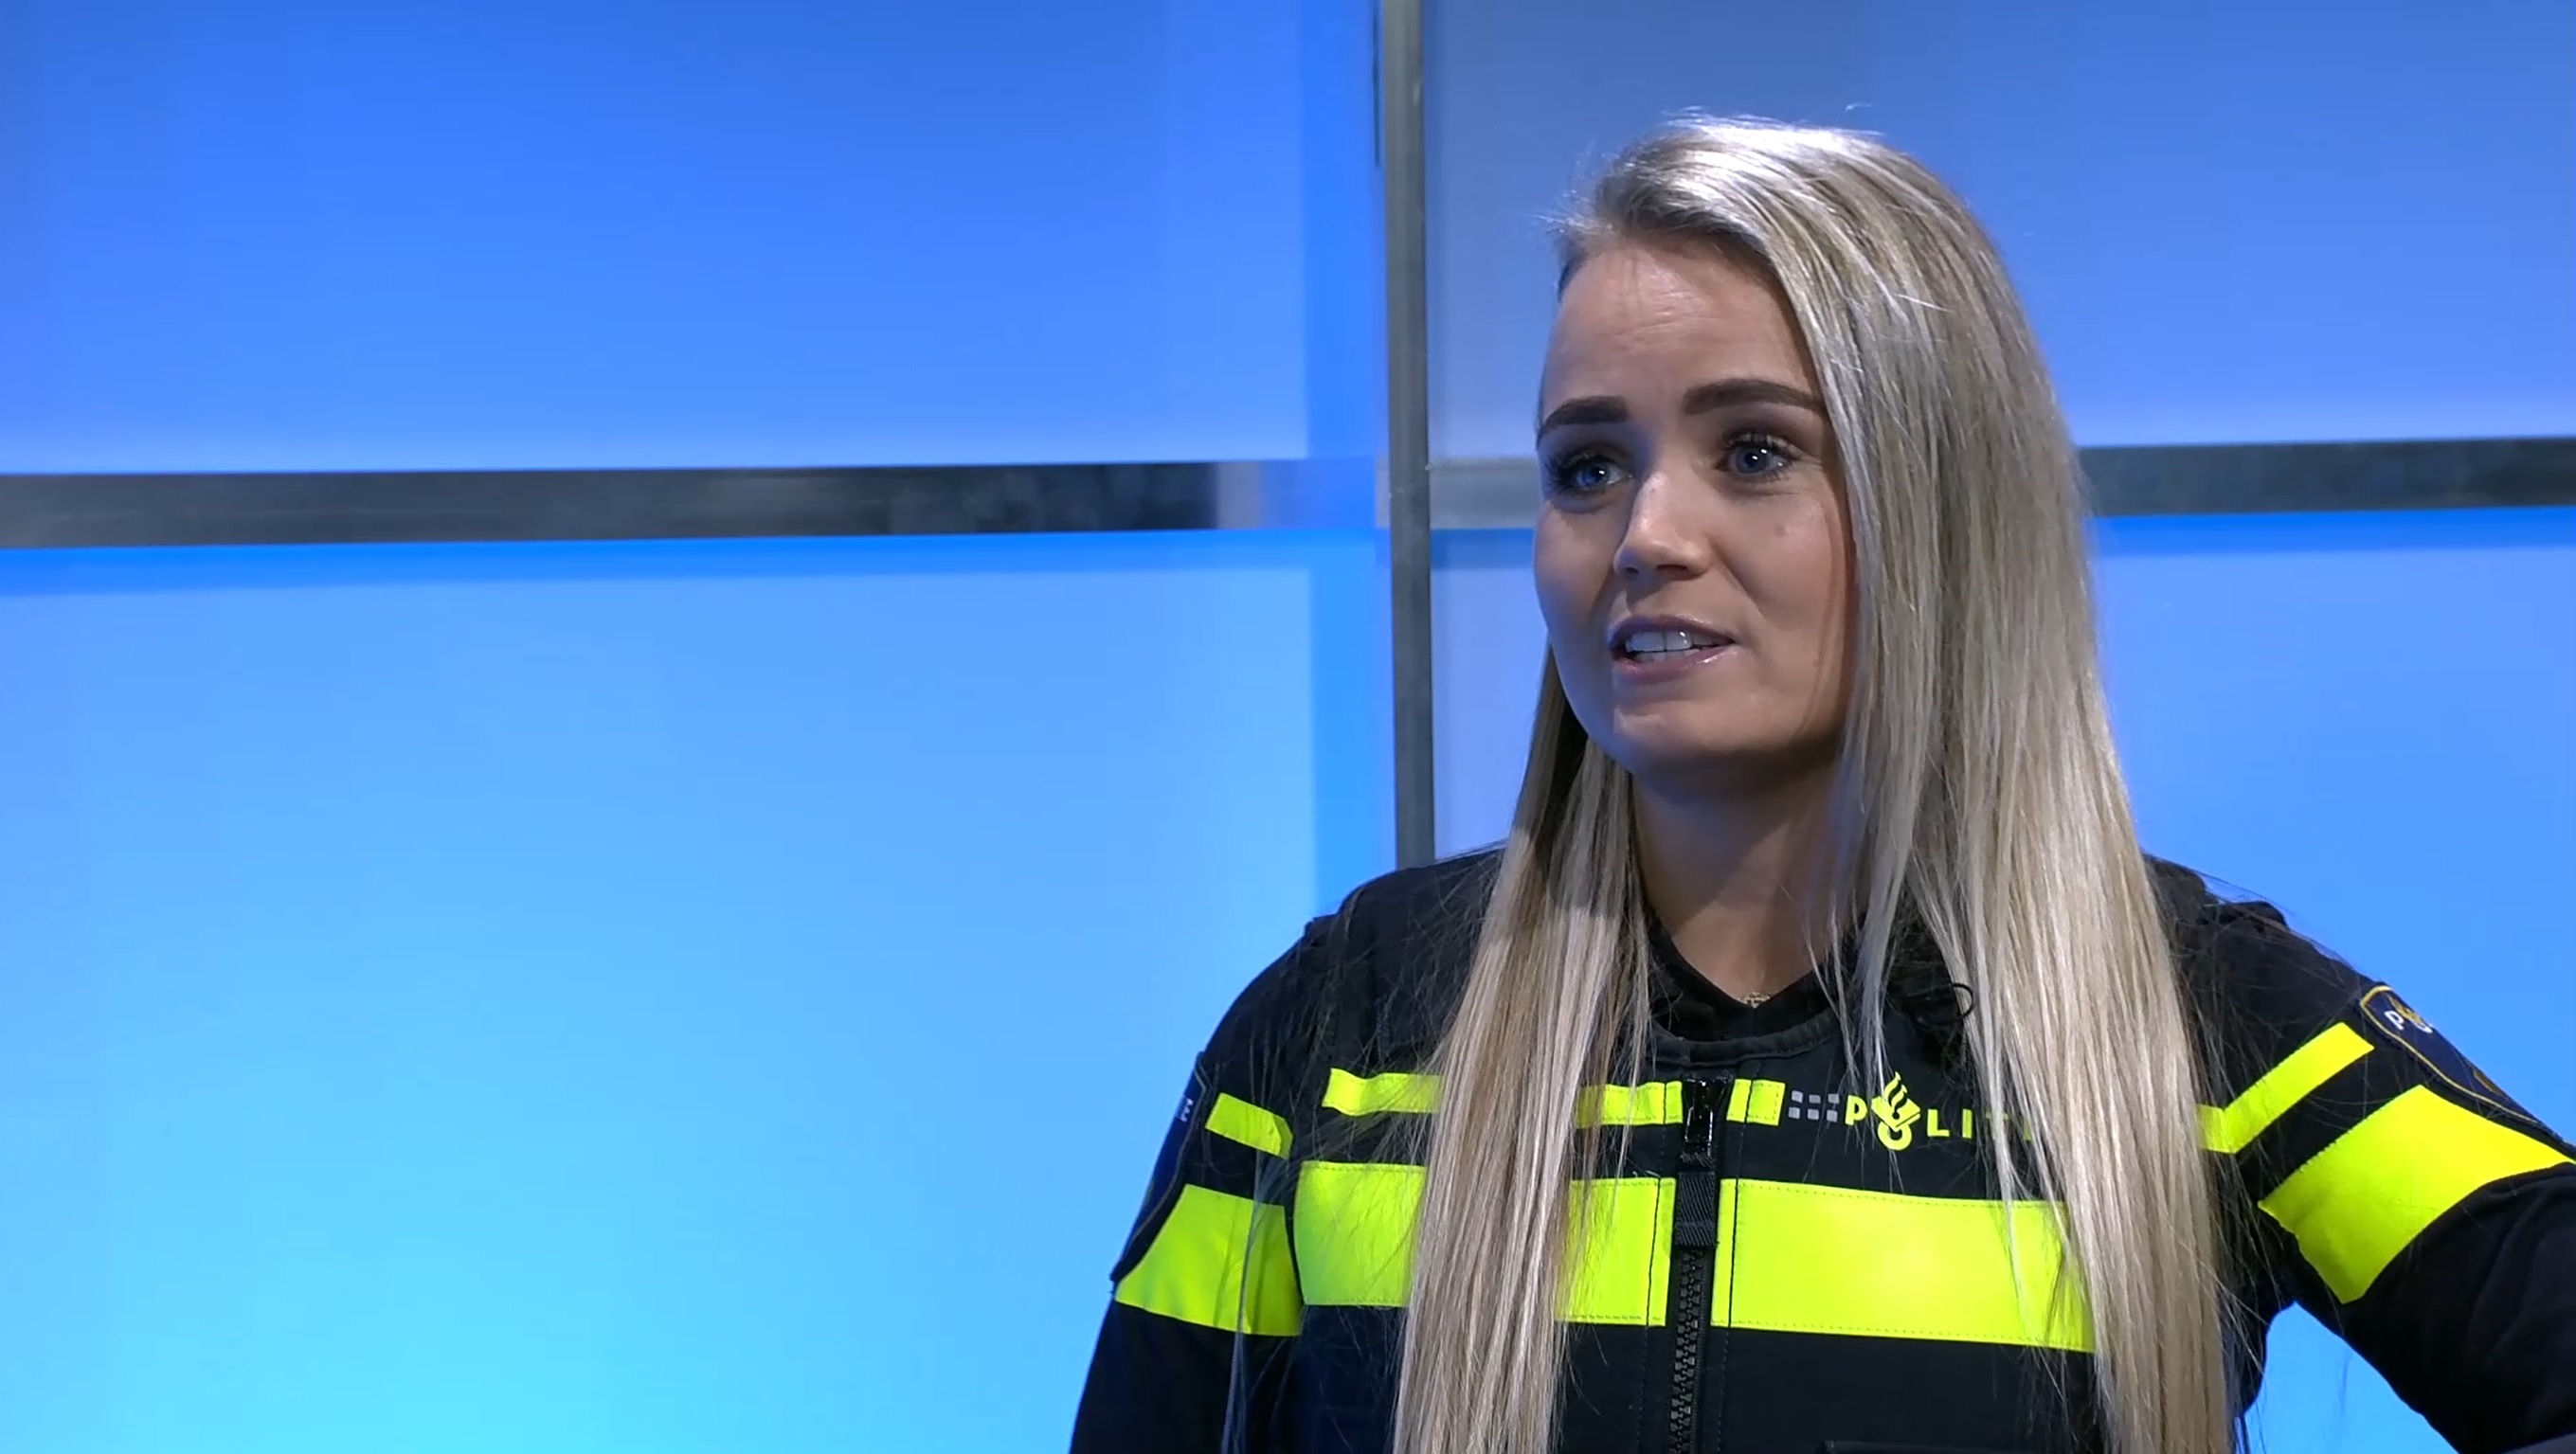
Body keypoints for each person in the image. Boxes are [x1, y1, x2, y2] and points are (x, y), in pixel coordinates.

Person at [1069, 118, 2576, 1454]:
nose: (1647, 534)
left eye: (1754, 451)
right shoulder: (1339, 1035)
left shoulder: (2201, 1029)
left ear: (1943, 503)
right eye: (1588, 466)